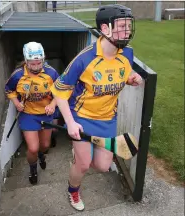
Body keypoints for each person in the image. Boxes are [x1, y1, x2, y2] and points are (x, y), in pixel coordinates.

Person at [50, 4, 142, 211]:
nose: (127, 31)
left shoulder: (127, 53)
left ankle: (80, 155)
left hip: (108, 118)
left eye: (128, 25)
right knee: (83, 165)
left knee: (101, 166)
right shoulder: (84, 59)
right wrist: (70, 122)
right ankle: (73, 189)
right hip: (82, 118)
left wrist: (130, 79)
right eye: (121, 26)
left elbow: (118, 74)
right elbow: (59, 91)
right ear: (104, 29)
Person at [5, 42, 59, 185]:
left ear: (43, 59)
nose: (36, 67)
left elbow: (61, 92)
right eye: (32, 64)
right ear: (26, 61)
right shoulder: (17, 75)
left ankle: (41, 155)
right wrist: (17, 103)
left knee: (45, 145)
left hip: (46, 113)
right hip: (28, 114)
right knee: (33, 148)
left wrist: (53, 104)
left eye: (39, 63)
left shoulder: (51, 73)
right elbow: (9, 90)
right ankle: (33, 169)